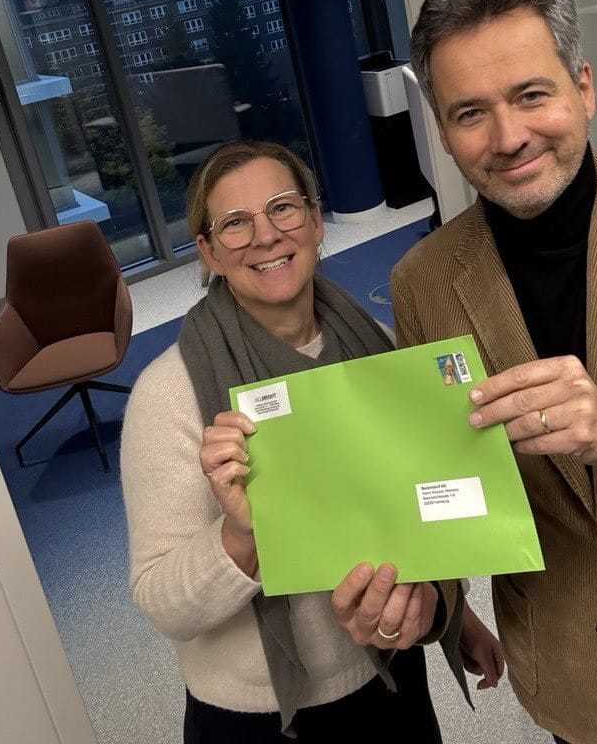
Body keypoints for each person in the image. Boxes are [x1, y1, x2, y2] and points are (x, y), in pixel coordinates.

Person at [384, 0, 597, 744]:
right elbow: (444, 495)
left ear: (584, 88)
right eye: (470, 113)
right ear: (442, 131)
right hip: (573, 681)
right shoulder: (422, 284)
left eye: (532, 95)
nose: (508, 137)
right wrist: (424, 601)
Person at [120, 139, 501, 744]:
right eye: (235, 224)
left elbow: (409, 505)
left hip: (391, 674)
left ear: (315, 221)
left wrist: (454, 613)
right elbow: (164, 604)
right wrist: (243, 533)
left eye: (282, 208)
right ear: (208, 251)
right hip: (260, 715)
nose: (266, 235)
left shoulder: (375, 344)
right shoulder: (169, 394)